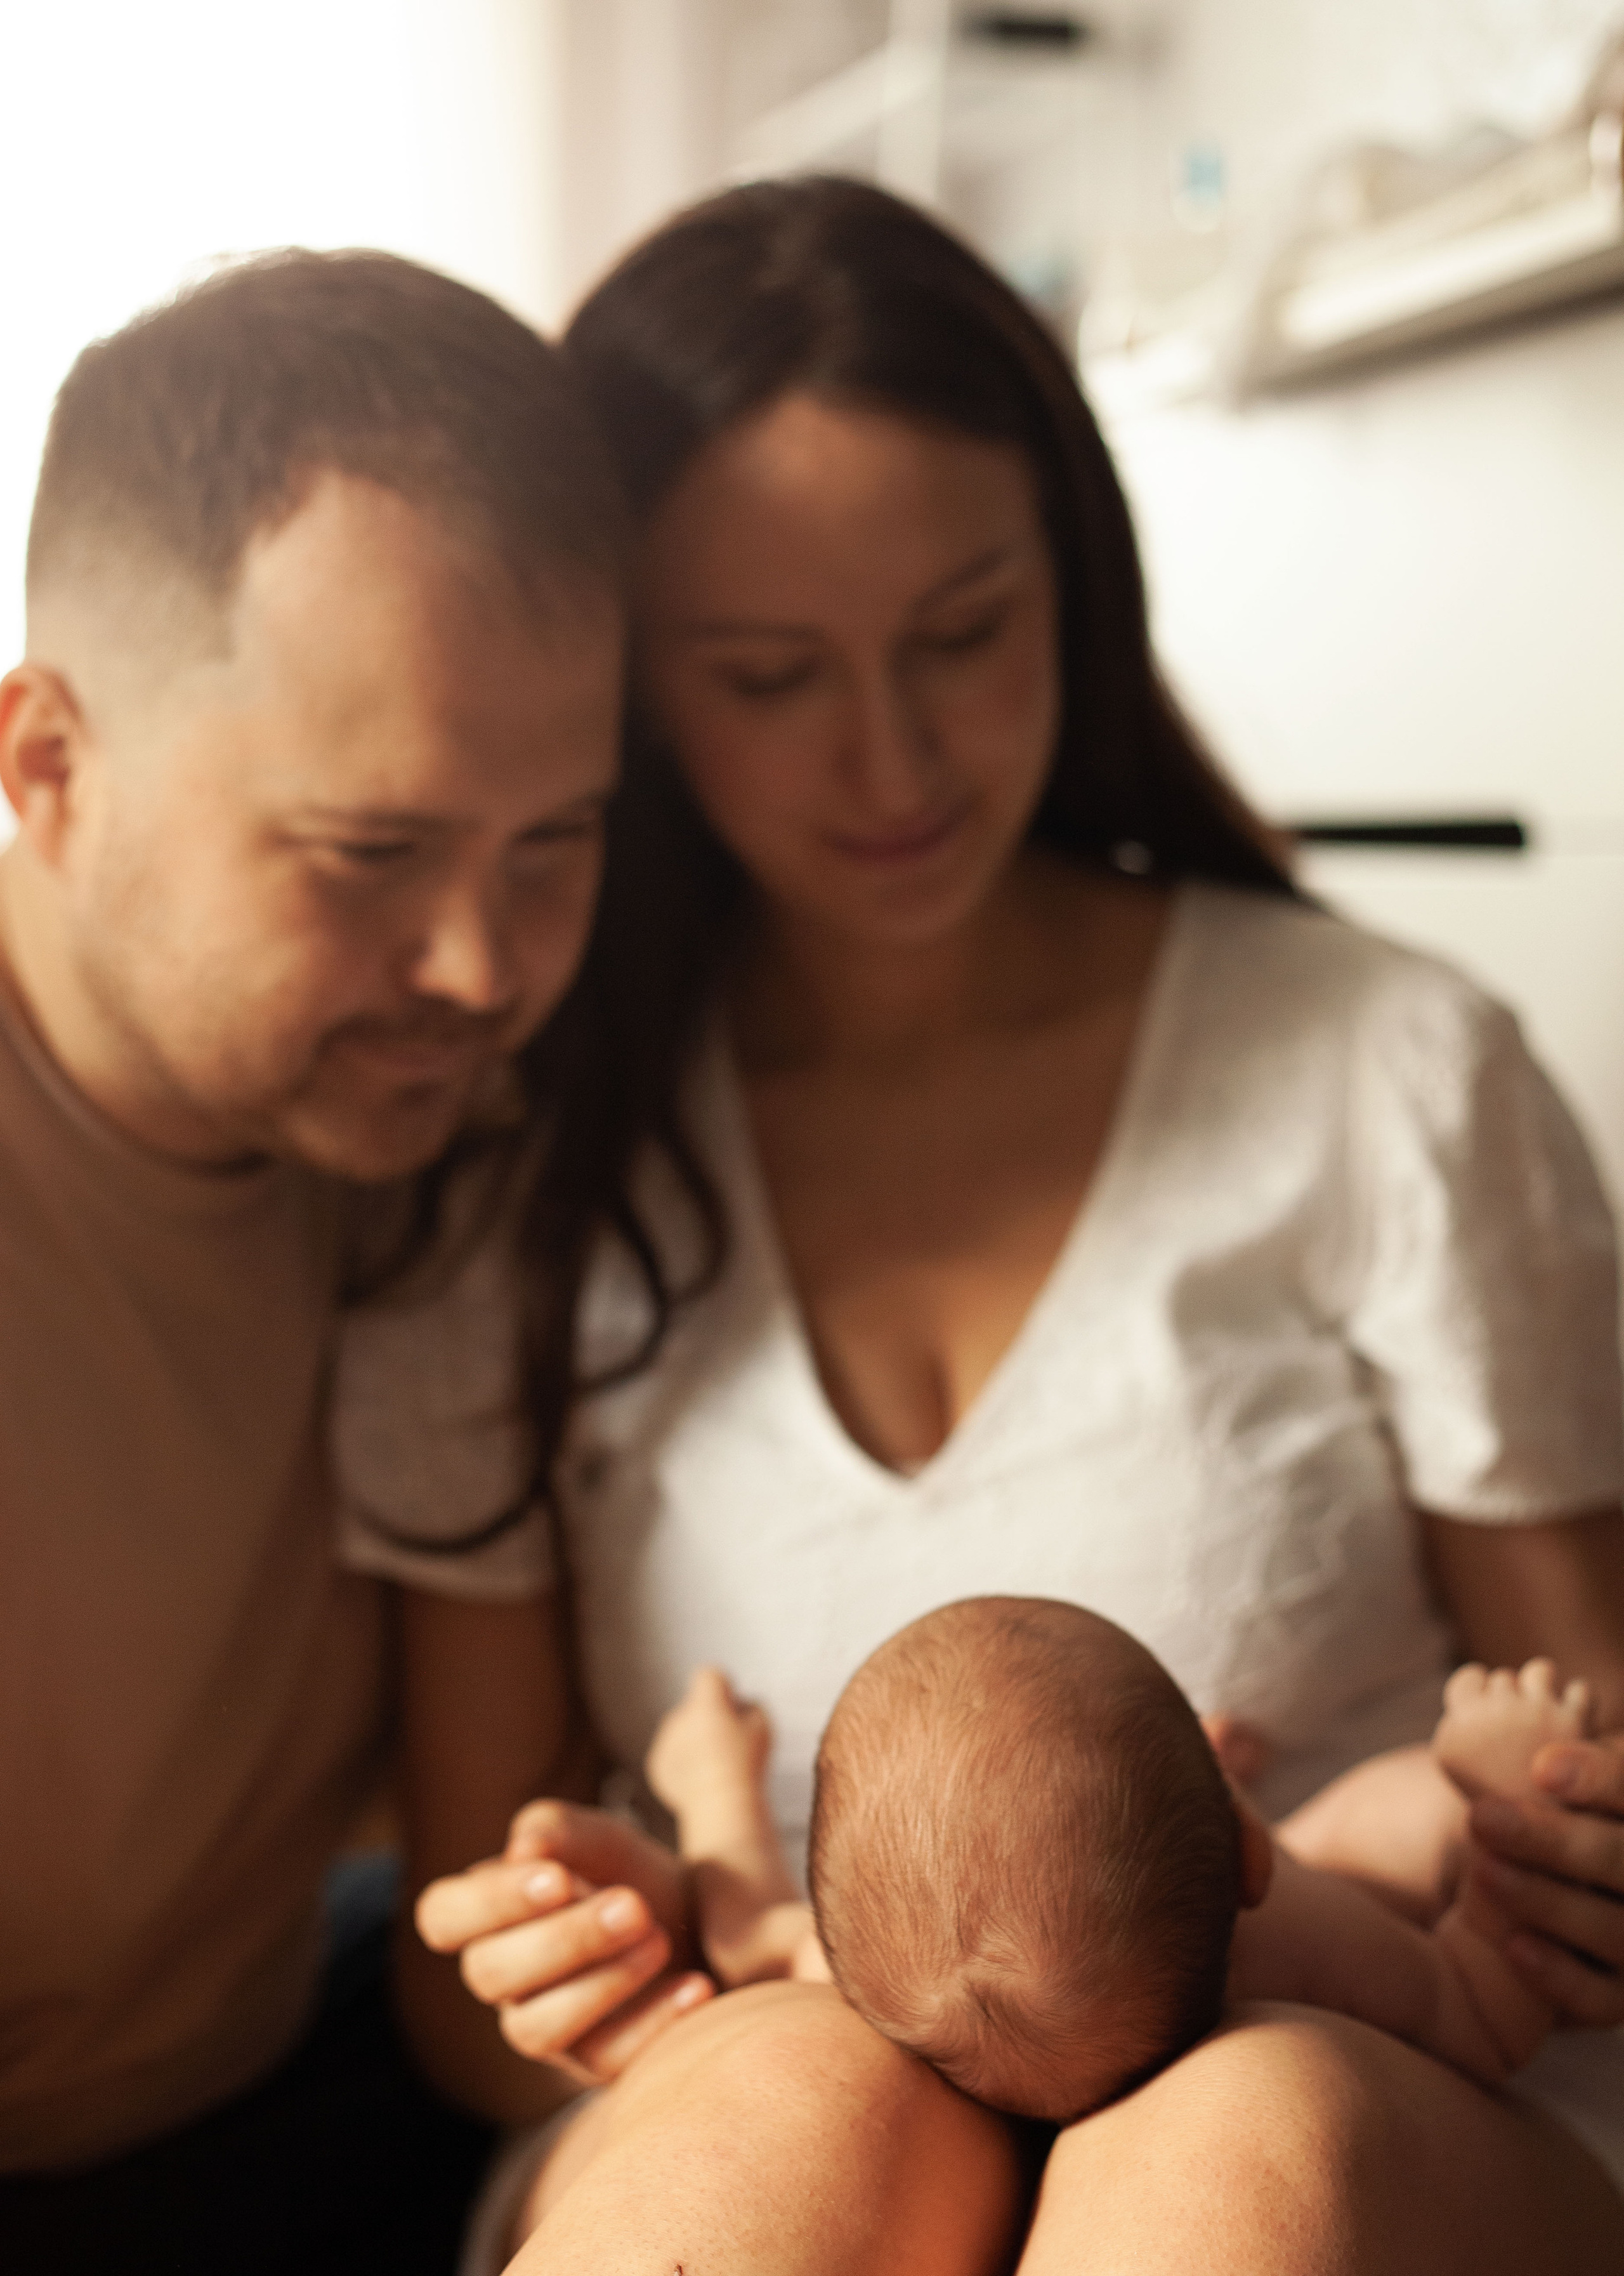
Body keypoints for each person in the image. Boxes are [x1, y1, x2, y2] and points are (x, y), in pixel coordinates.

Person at [343, 178, 1624, 2273]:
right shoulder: (519, 1183)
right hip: (762, 2094)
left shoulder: (1387, 1070)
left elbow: (1600, 1728)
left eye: (963, 630)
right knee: (782, 2098)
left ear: (1078, 579)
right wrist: (586, 1957)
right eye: (769, 675)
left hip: (1392, 2085)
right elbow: (451, 2001)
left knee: (1242, 2132)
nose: (896, 758)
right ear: (636, 690)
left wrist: (1553, 1857)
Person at [0, 250, 629, 2273]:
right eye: (371, 854)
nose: (484, 968)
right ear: (48, 766)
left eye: (559, 843)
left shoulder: (455, 1126)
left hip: (295, 2068)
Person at [648, 1604, 1587, 2122]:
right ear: (1248, 1853)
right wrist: (1515, 1825)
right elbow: (1478, 2019)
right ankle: (1498, 1804)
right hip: (1277, 1920)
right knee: (1382, 1822)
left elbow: (745, 1936)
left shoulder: (876, 1982)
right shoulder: (1299, 1934)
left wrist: (713, 1793)